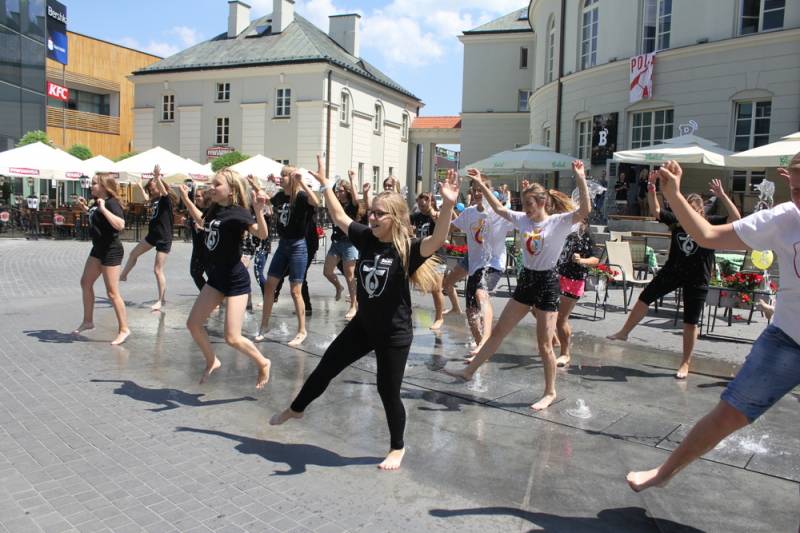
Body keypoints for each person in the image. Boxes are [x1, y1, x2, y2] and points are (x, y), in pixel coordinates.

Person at [270, 156, 459, 471]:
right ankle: (297, 408)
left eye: (378, 213)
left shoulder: (407, 248)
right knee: (326, 367)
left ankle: (397, 447)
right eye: (371, 212)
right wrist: (325, 185)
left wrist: (448, 205)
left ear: (394, 218)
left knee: (388, 391)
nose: (371, 217)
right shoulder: (367, 238)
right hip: (363, 327)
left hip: (394, 334)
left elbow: (438, 239)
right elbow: (339, 216)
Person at [626, 157, 800, 492]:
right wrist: (674, 194)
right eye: (795, 189)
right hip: (789, 339)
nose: (799, 198)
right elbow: (706, 234)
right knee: (729, 413)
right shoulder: (784, 218)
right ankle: (664, 472)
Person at [444, 162, 591, 411]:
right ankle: (469, 372)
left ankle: (550, 392)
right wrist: (480, 184)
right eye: (523, 204)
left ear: (542, 202)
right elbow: (498, 207)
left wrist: (580, 178)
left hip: (547, 283)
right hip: (526, 281)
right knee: (499, 331)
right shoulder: (522, 220)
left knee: (544, 345)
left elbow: (585, 210)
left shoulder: (558, 222)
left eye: (530, 204)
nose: (526, 209)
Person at [608, 174, 740, 378]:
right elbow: (656, 210)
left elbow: (736, 219)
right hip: (674, 270)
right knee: (645, 297)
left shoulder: (710, 223)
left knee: (690, 321)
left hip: (698, 276)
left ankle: (685, 363)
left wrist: (722, 195)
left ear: (701, 211)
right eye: (686, 209)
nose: (689, 213)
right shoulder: (678, 221)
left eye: (693, 210)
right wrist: (652, 189)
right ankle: (624, 332)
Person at [182, 169, 271, 389]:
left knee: (232, 337)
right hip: (216, 278)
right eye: (212, 184)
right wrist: (185, 199)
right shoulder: (215, 209)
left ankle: (263, 362)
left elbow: (262, 234)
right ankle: (212, 360)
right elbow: (201, 220)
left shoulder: (238, 213)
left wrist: (258, 211)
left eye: (217, 184)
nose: (211, 188)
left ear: (231, 191)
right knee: (193, 324)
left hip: (235, 280)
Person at [257, 166, 319, 346]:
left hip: (298, 245)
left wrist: (302, 182)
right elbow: (267, 200)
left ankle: (302, 330)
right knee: (270, 285)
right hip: (283, 245)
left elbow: (316, 201)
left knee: (295, 291)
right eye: (281, 175)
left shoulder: (301, 197)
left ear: (292, 178)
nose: (281, 177)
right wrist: (256, 185)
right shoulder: (280, 196)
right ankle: (264, 326)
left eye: (284, 175)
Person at [453, 181, 513, 357]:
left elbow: (522, 222)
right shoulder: (469, 212)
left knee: (481, 294)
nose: (478, 193)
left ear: (490, 191)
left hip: (494, 264)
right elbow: (451, 227)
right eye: (475, 190)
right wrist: (442, 210)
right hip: (475, 266)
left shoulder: (500, 213)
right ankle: (481, 349)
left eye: (481, 190)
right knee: (471, 311)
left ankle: (486, 340)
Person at [72, 173, 130, 345]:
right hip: (98, 249)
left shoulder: (111, 203)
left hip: (111, 250)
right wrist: (85, 207)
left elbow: (120, 225)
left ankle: (124, 329)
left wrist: (104, 209)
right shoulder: (97, 201)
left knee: (112, 292)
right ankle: (88, 321)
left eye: (95, 184)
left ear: (104, 186)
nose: (91, 186)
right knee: (85, 282)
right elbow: (96, 217)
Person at [120, 165, 175, 311]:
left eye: (152, 187)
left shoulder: (166, 199)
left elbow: (163, 191)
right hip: (152, 235)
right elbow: (146, 198)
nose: (151, 189)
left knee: (157, 270)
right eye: (150, 188)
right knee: (133, 254)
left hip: (164, 237)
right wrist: (139, 186)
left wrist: (157, 177)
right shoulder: (154, 199)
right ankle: (123, 275)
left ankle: (161, 300)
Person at [554, 220, 599, 367]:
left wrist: (581, 260)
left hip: (574, 280)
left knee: (561, 319)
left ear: (584, 222)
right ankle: (555, 338)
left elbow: (596, 260)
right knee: (536, 308)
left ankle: (565, 354)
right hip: (557, 276)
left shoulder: (587, 236)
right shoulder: (565, 232)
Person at [322, 170, 360, 320]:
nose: (339, 193)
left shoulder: (352, 205)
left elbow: (356, 199)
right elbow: (329, 197)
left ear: (347, 192)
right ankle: (339, 286)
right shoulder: (336, 204)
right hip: (336, 242)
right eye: (338, 191)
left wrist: (352, 179)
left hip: (350, 243)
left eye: (341, 191)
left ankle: (354, 305)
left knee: (350, 276)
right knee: (327, 271)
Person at [410, 192, 446, 330]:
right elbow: (407, 229)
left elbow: (441, 226)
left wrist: (432, 212)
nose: (421, 206)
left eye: (424, 204)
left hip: (437, 257)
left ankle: (439, 318)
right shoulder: (415, 216)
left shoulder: (436, 215)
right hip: (421, 256)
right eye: (419, 204)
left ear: (431, 202)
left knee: (436, 289)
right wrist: (410, 231)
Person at [187, 187, 209, 291]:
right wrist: (187, 223)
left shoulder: (209, 211)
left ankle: (213, 296)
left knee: (211, 274)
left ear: (205, 197)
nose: (196, 198)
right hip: (197, 247)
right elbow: (192, 223)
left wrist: (203, 229)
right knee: (195, 273)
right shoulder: (194, 209)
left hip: (208, 248)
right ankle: (207, 294)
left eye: (198, 196)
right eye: (195, 196)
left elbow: (214, 228)